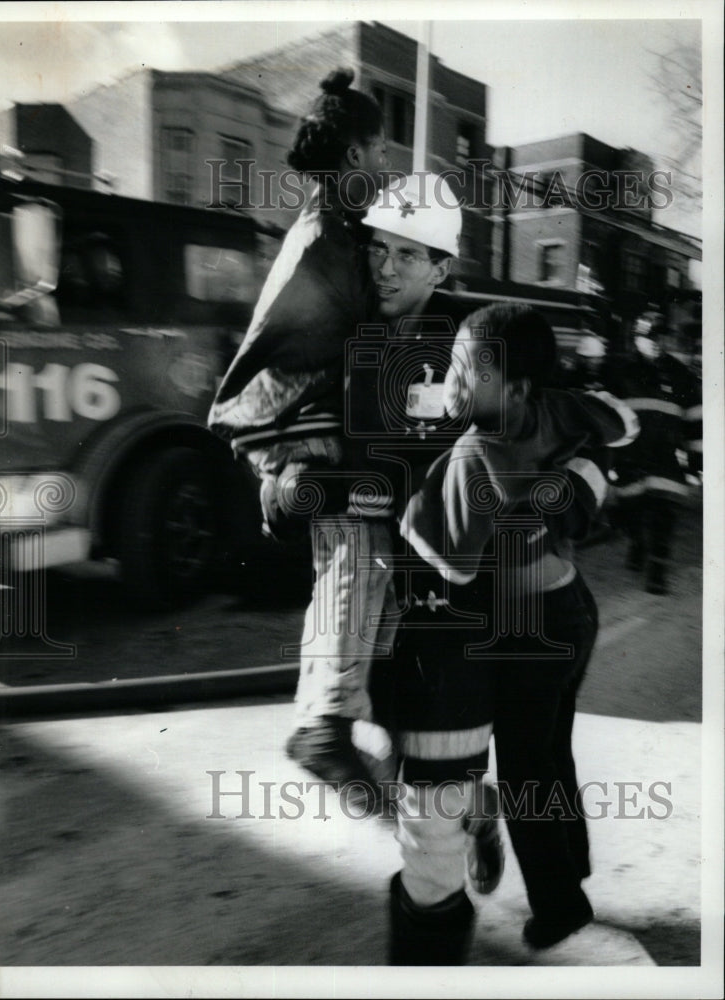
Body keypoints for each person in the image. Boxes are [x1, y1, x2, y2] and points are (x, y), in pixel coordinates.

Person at [374, 296, 639, 962]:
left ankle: (559, 907)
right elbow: (613, 423)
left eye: (467, 369)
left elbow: (455, 564)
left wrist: (404, 526)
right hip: (572, 611)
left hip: (531, 633)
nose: (453, 380)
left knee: (524, 769)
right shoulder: (549, 408)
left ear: (512, 385)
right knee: (552, 753)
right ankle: (571, 875)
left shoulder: (471, 456)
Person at [207, 69, 393, 800]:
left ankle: (315, 717)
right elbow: (370, 329)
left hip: (296, 426)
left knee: (340, 566)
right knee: (360, 554)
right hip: (304, 427)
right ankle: (326, 727)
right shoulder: (330, 238)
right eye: (377, 152)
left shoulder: (325, 227)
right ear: (352, 154)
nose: (382, 168)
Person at [605, 311, 702, 594]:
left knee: (665, 513)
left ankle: (657, 571)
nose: (657, 342)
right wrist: (606, 460)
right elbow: (606, 418)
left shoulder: (681, 376)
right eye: (650, 337)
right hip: (629, 458)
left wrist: (696, 462)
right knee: (630, 510)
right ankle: (637, 542)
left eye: (661, 336)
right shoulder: (620, 373)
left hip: (666, 458)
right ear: (637, 340)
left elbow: (695, 419)